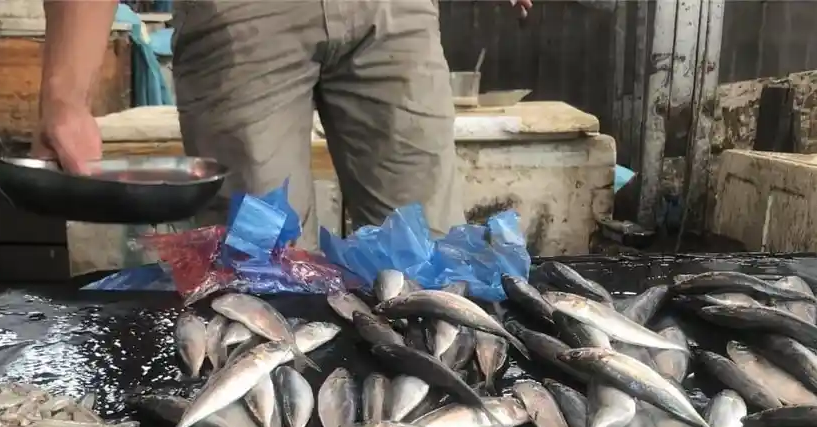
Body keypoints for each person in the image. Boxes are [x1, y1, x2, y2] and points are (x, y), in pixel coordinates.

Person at [34, 0, 530, 248]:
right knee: (264, 266)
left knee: (430, 256)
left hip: (394, 11)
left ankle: (424, 426)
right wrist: (64, 94)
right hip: (244, 15)